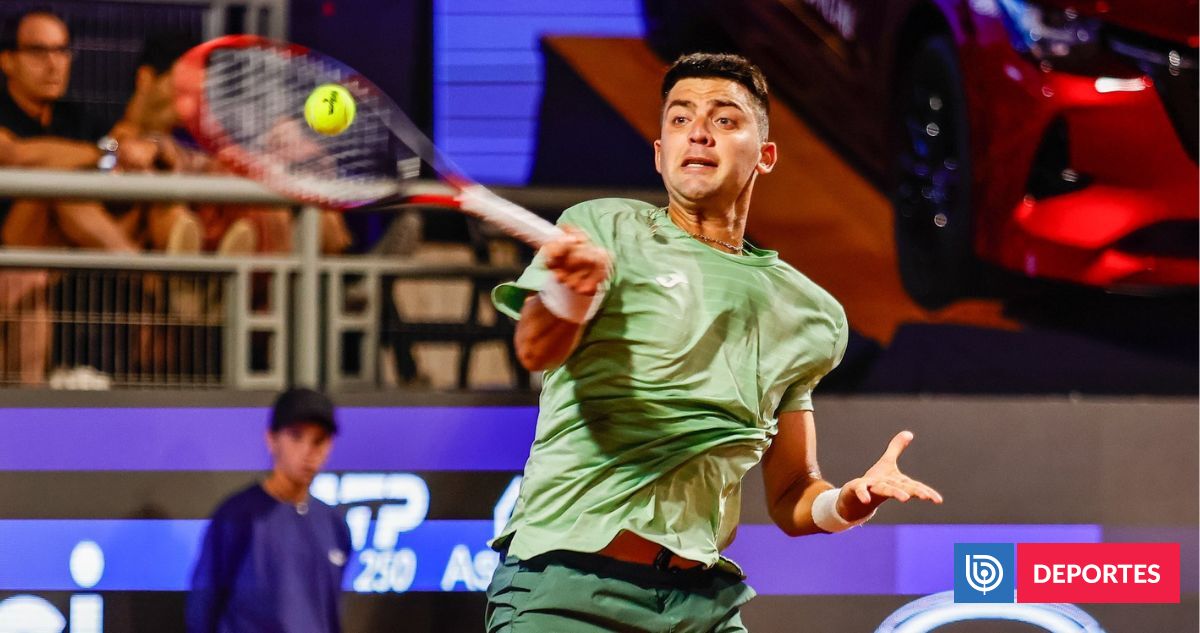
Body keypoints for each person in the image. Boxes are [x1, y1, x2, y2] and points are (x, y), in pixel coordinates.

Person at [482, 53, 943, 631]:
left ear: (765, 155)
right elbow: (534, 350)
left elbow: (793, 493)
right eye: (680, 119)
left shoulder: (810, 313)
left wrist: (850, 500)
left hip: (699, 605)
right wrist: (570, 296)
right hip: (565, 592)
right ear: (660, 154)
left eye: (724, 119)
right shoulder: (606, 228)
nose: (698, 132)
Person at [0, 8, 198, 253]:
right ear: (7, 60)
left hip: (71, 246)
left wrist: (151, 146)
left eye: (61, 51)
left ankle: (184, 255)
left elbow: (122, 139)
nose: (53, 64)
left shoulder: (75, 116)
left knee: (146, 177)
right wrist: (104, 153)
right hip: (13, 247)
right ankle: (140, 267)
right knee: (60, 182)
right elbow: (13, 154)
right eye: (38, 52)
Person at [187, 387, 351, 633]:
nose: (308, 451)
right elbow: (203, 607)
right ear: (271, 439)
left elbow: (329, 614)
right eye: (296, 436)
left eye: (319, 440)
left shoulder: (335, 525)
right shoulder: (237, 516)